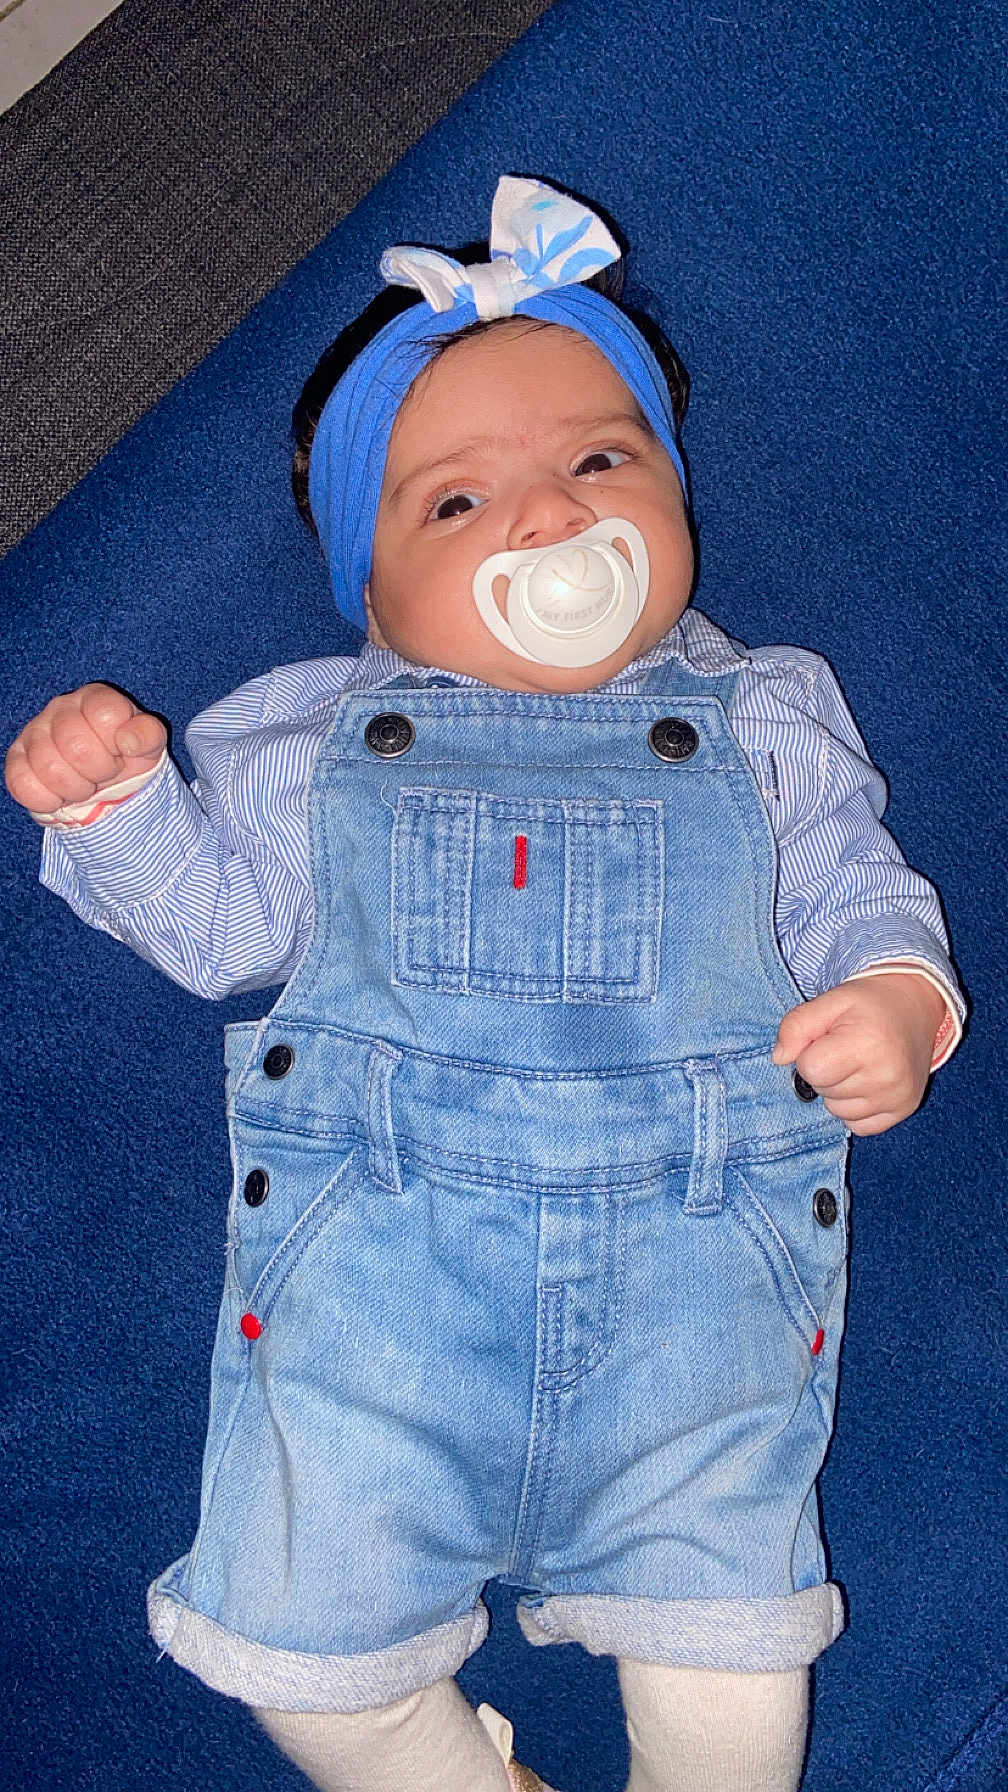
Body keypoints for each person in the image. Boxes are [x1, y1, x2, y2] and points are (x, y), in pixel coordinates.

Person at [5, 177, 964, 1792]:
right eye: (456, 502)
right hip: (378, 1314)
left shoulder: (767, 722)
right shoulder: (319, 741)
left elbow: (861, 891)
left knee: (741, 1680)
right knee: (299, 1659)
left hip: (695, 1321)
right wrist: (120, 809)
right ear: (369, 597)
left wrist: (897, 1002)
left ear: (675, 493)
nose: (544, 519)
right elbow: (222, 931)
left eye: (601, 461)